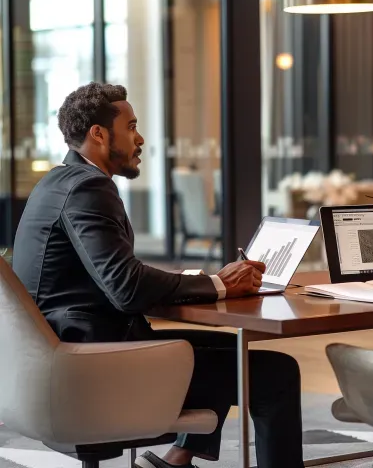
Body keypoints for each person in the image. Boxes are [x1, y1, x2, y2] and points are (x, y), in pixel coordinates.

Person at [12, 82, 304, 468]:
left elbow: (112, 274)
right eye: (131, 126)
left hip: (65, 358)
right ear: (98, 134)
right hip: (94, 372)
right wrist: (219, 284)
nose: (140, 138)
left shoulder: (56, 182)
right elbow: (127, 289)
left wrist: (208, 283)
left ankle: (177, 459)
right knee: (278, 372)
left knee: (228, 352)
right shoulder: (90, 189)